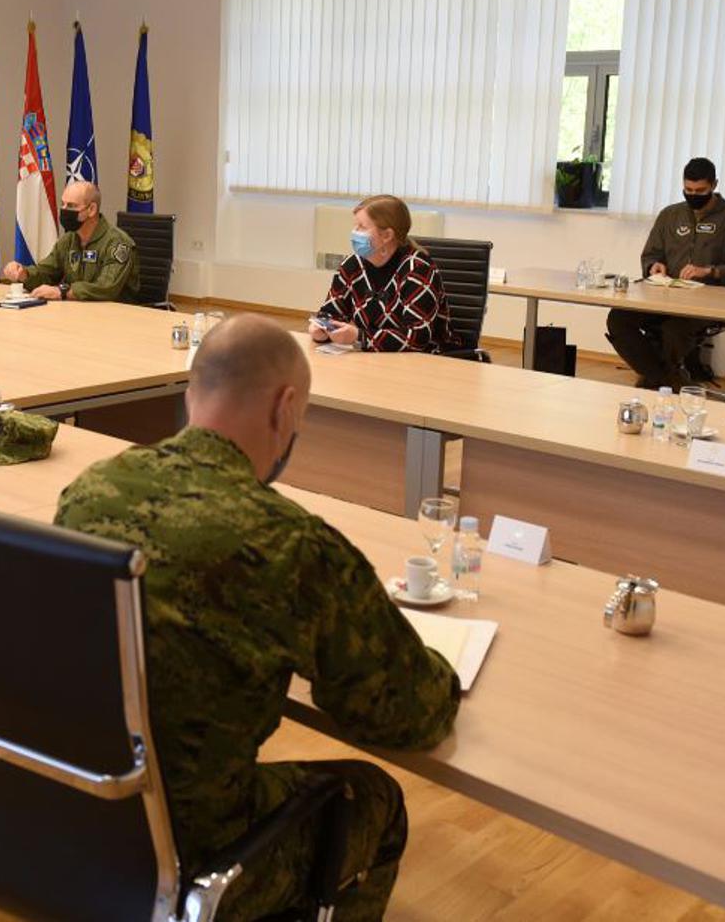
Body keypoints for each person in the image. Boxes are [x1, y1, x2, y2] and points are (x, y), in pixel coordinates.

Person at [54, 314, 462, 921]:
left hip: (72, 805)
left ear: (192, 392)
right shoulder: (291, 543)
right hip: (192, 853)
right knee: (374, 799)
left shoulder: (91, 491)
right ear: (286, 408)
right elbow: (409, 714)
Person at [606, 157, 725, 389]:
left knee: (673, 330)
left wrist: (711, 271)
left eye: (700, 191)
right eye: (688, 190)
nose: (693, 195)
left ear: (714, 185)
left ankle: (659, 379)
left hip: (710, 303)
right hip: (665, 297)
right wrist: (653, 266)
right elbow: (650, 254)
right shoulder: (670, 215)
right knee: (619, 318)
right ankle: (667, 379)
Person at [308, 194, 455, 352]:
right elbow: (330, 313)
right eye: (355, 226)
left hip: (427, 359)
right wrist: (321, 330)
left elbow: (417, 338)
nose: (354, 232)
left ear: (387, 235)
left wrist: (360, 337)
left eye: (362, 227)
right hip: (372, 357)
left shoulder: (418, 269)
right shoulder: (352, 264)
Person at [0, 181, 140, 302]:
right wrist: (24, 274)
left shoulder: (117, 243)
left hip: (117, 316)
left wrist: (62, 291)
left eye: (71, 206)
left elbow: (106, 288)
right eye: (63, 204)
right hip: (79, 312)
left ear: (91, 209)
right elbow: (47, 272)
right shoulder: (69, 239)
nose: (64, 210)